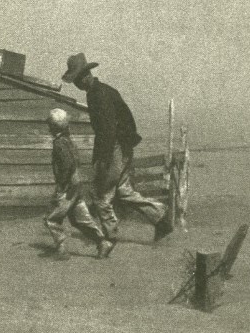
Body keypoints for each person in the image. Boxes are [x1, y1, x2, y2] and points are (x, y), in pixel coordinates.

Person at [61, 53, 173, 252]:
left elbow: (107, 130)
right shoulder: (101, 91)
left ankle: (109, 237)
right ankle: (160, 216)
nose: (77, 84)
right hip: (122, 146)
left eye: (78, 79)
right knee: (123, 191)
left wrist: (103, 160)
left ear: (86, 76)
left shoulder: (98, 95)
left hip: (115, 148)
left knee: (100, 193)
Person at [43, 108, 112, 260]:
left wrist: (62, 184)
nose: (48, 128)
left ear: (54, 127)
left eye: (50, 125)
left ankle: (61, 249)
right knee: (80, 218)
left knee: (51, 218)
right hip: (76, 184)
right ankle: (102, 242)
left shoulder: (59, 143)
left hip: (67, 186)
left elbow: (67, 164)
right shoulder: (69, 140)